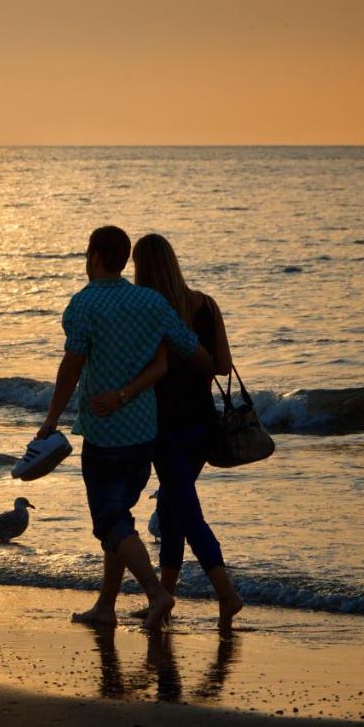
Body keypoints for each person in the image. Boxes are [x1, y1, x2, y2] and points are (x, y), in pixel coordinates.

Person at [38, 226, 216, 629]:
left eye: (87, 253)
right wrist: (214, 367)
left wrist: (51, 418)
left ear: (97, 257)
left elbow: (72, 365)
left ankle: (156, 594)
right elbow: (191, 351)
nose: (86, 259)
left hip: (105, 435)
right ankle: (105, 607)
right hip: (144, 435)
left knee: (110, 521)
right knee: (119, 520)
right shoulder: (150, 301)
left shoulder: (84, 304)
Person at [92, 233, 244, 630]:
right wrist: (198, 359)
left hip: (162, 428)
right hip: (202, 424)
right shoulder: (205, 305)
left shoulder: (147, 311)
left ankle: (227, 595)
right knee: (171, 508)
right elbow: (222, 366)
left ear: (140, 268)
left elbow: (141, 368)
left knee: (187, 513)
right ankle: (165, 593)